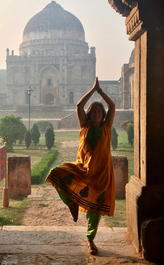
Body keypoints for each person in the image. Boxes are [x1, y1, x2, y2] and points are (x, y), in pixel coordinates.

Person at [46, 77, 115, 255]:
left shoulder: (107, 128)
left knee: (94, 209)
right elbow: (78, 106)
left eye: (100, 111)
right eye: (94, 111)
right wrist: (92, 91)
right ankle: (71, 203)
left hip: (101, 174)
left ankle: (90, 240)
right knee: (56, 173)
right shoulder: (84, 127)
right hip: (83, 168)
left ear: (103, 114)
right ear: (89, 114)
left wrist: (101, 93)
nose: (97, 114)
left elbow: (112, 107)